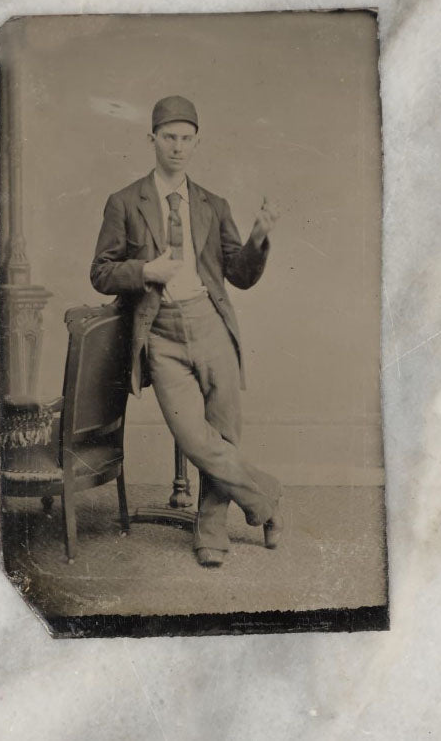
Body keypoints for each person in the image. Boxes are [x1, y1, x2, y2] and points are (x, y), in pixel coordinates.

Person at [91, 95, 283, 567]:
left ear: (196, 143)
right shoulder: (124, 202)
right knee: (195, 437)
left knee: (222, 432)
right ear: (152, 139)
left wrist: (259, 238)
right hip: (160, 333)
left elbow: (239, 274)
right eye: (169, 137)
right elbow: (100, 272)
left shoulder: (213, 205)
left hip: (210, 323)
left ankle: (211, 531)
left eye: (186, 138)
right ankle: (268, 498)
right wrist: (145, 271)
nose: (178, 146)